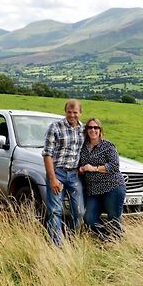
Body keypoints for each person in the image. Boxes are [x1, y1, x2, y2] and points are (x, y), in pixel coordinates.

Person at [42, 99, 85, 246]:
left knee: (79, 211)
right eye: (69, 112)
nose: (72, 115)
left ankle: (73, 241)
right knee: (55, 210)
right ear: (65, 112)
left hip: (74, 175)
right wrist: (52, 178)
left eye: (75, 112)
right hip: (58, 173)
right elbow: (47, 154)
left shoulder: (83, 130)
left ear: (80, 113)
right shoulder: (55, 127)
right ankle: (56, 245)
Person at [79, 117, 126, 241]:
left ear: (100, 130)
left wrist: (93, 168)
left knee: (114, 218)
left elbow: (114, 166)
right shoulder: (83, 147)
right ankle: (107, 238)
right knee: (89, 218)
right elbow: (80, 165)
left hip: (112, 187)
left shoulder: (107, 146)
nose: (93, 130)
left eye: (96, 127)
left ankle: (118, 243)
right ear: (86, 130)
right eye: (90, 127)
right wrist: (81, 169)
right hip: (93, 191)